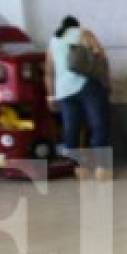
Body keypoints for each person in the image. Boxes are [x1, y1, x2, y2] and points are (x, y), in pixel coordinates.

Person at [45, 15, 112, 180]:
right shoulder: (84, 33)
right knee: (98, 124)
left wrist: (50, 96)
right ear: (76, 25)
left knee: (71, 129)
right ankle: (102, 168)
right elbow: (101, 56)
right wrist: (108, 83)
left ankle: (78, 168)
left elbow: (49, 72)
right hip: (87, 86)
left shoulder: (53, 41)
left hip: (64, 91)